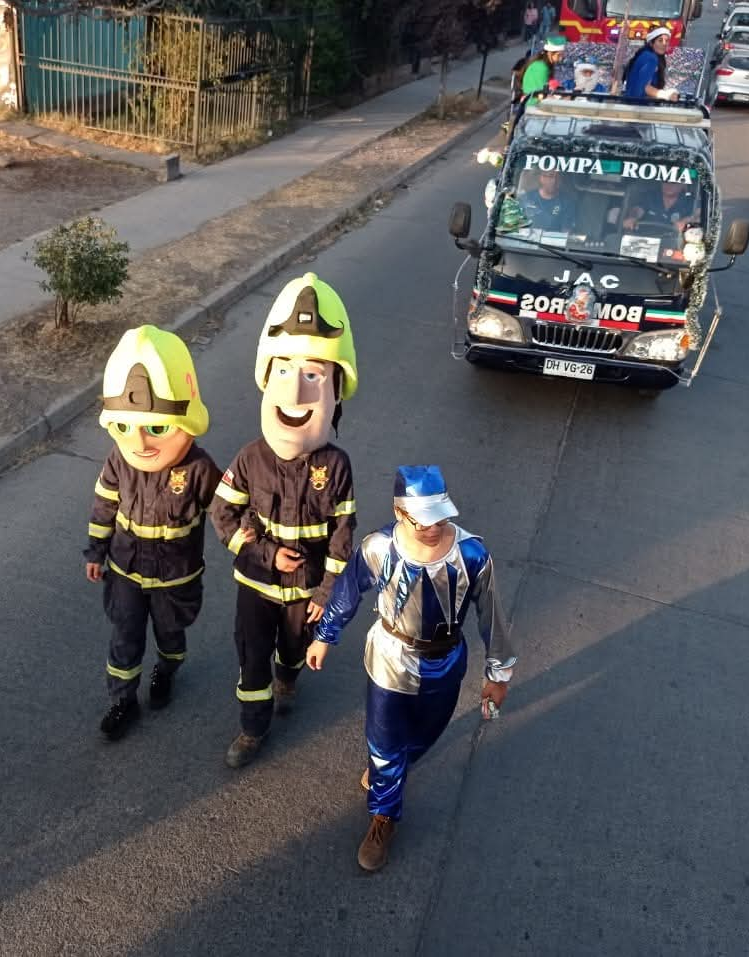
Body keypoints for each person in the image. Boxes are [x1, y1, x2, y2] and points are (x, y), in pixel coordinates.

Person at [309, 465, 517, 873]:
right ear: (400, 512)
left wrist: (499, 674)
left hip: (445, 663)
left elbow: (493, 615)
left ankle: (388, 772)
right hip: (390, 659)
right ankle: (384, 815)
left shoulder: (471, 555)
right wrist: (324, 635)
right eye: (423, 518)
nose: (433, 526)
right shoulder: (378, 548)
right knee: (385, 744)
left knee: (424, 736)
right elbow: (347, 592)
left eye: (439, 516)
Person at [210, 272, 358, 768]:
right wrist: (262, 551)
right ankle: (253, 730)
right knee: (252, 656)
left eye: (314, 374)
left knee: (292, 649)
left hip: (305, 591)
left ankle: (289, 677)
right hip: (256, 584)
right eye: (285, 371)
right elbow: (222, 513)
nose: (295, 388)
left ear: (337, 391)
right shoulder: (250, 458)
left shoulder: (336, 466)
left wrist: (325, 593)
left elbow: (343, 533)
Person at [85, 326, 222, 740]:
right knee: (124, 638)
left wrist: (249, 546)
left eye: (157, 428)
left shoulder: (198, 469)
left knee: (170, 635)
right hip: (125, 570)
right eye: (127, 427)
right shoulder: (119, 461)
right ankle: (122, 700)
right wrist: (95, 551)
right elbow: (104, 504)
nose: (141, 441)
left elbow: (225, 513)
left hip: (174, 577)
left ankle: (167, 670)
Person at [623, 180, 701, 235]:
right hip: (643, 237)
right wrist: (632, 217)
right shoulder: (650, 196)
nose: (668, 185)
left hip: (673, 243)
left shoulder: (690, 201)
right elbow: (637, 210)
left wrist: (688, 221)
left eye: (673, 182)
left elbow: (698, 215)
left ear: (684, 185)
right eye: (665, 181)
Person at [623, 26, 679, 101]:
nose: (664, 44)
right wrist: (666, 95)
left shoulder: (645, 54)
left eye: (667, 40)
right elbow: (643, 87)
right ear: (651, 43)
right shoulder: (651, 58)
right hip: (638, 105)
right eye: (660, 40)